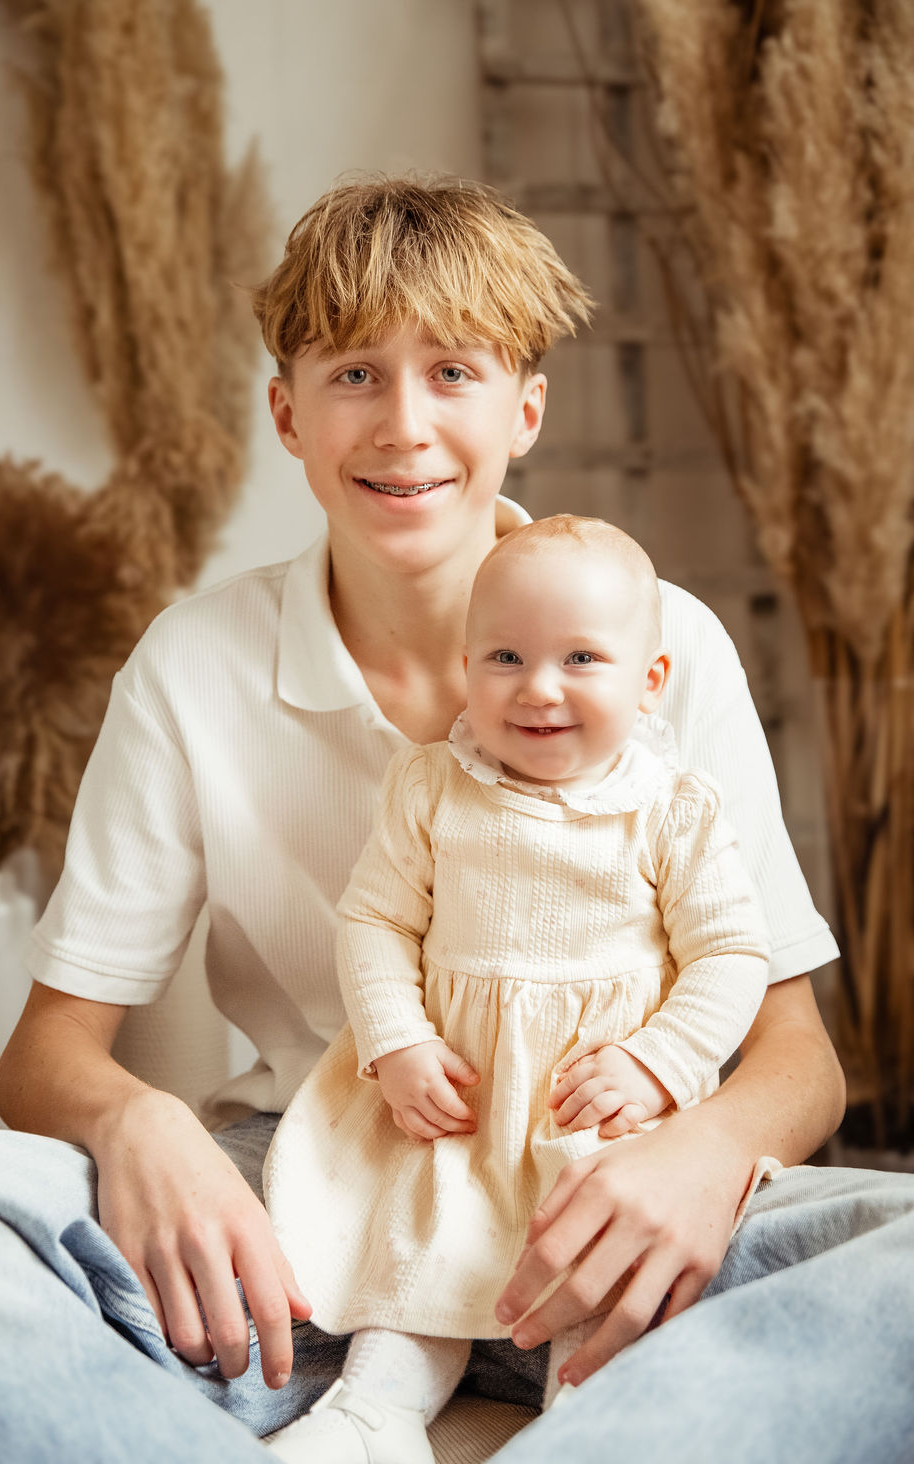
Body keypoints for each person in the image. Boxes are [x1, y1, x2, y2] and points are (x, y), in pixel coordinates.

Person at [0, 175, 910, 1464]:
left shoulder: (669, 650)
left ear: (524, 410)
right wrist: (135, 1120)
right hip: (309, 1206)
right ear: (288, 415)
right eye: (354, 375)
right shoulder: (192, 663)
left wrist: (701, 1151)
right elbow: (43, 1056)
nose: (404, 425)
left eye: (454, 373)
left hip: (611, 1201)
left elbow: (795, 1059)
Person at [262, 512, 776, 1463]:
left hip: (602, 1118)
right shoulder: (433, 788)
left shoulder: (671, 809)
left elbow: (733, 956)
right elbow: (376, 921)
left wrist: (659, 1063)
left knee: (603, 1275)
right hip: (460, 1104)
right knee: (417, 1254)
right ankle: (375, 1415)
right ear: (467, 667)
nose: (538, 689)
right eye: (505, 656)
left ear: (649, 682)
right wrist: (398, 1039)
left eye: (581, 659)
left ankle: (585, 1423)